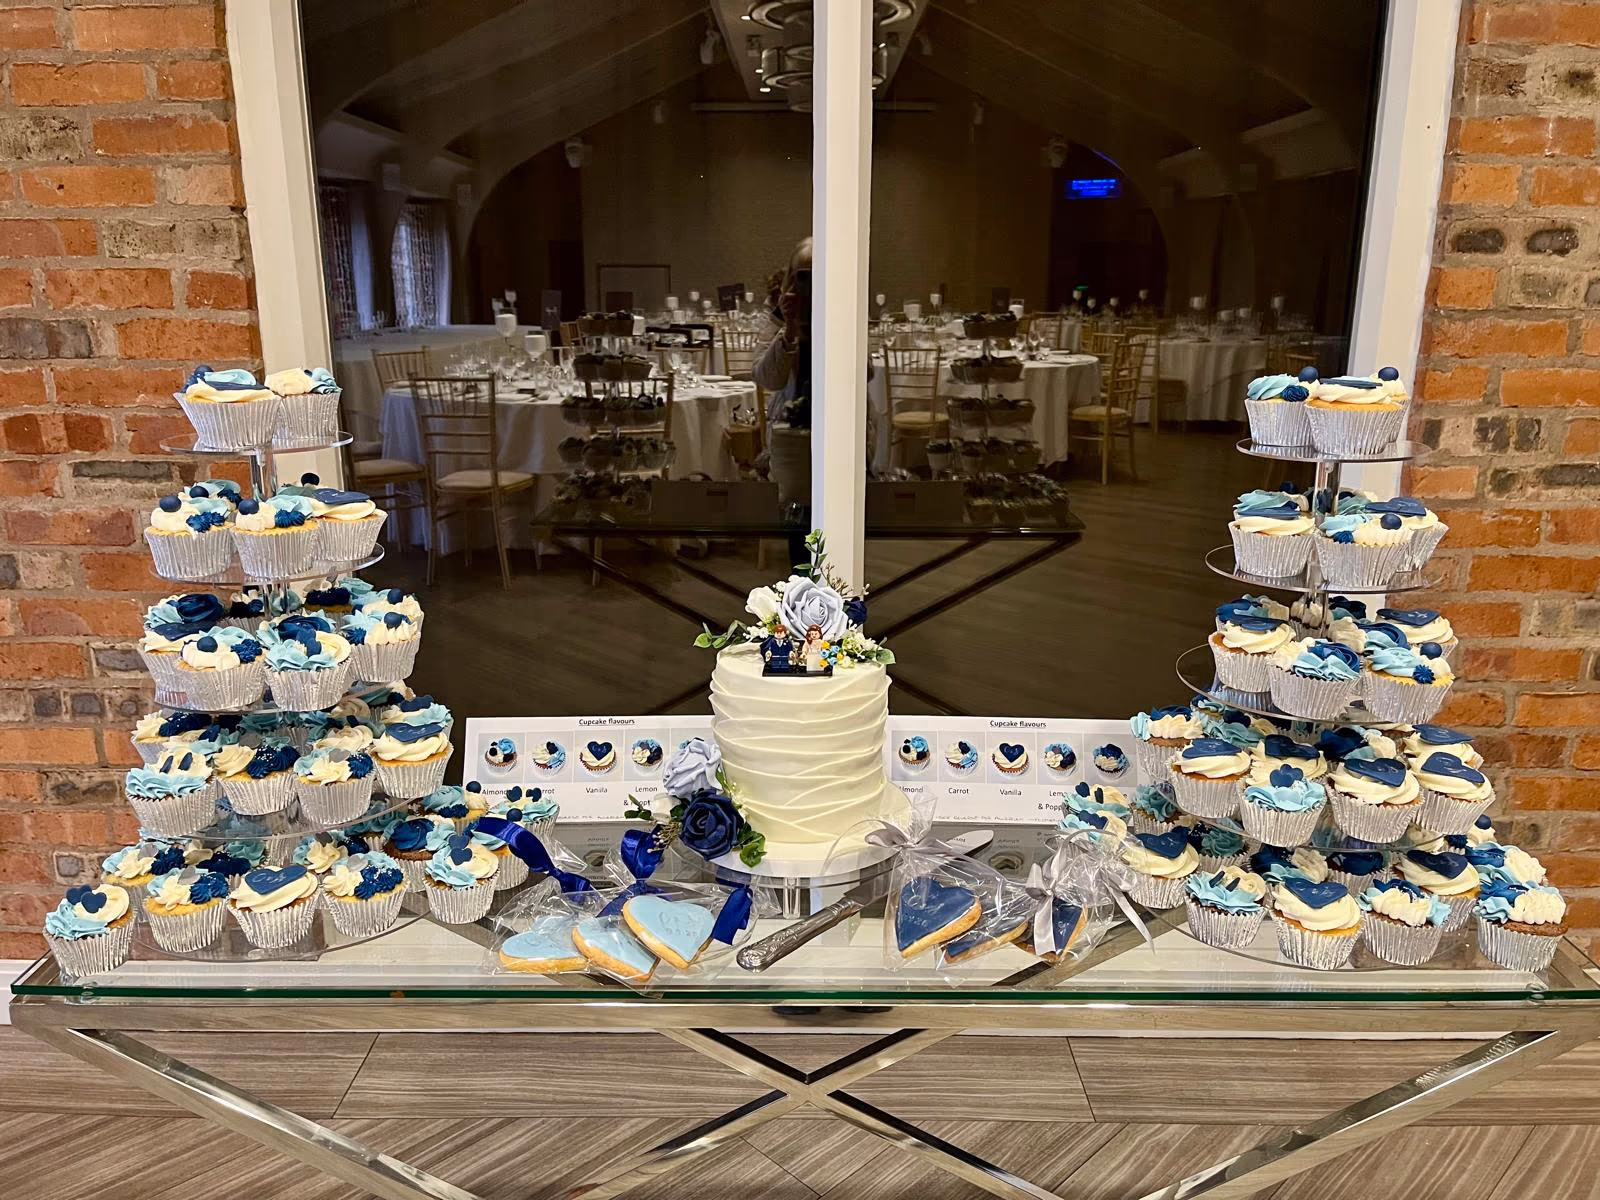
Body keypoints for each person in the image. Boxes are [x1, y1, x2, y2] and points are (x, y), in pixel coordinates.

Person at [754, 236, 812, 426]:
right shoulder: (779, 314)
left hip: (839, 427)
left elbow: (866, 372)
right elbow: (768, 380)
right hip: (789, 427)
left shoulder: (846, 308)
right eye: (802, 277)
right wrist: (789, 329)